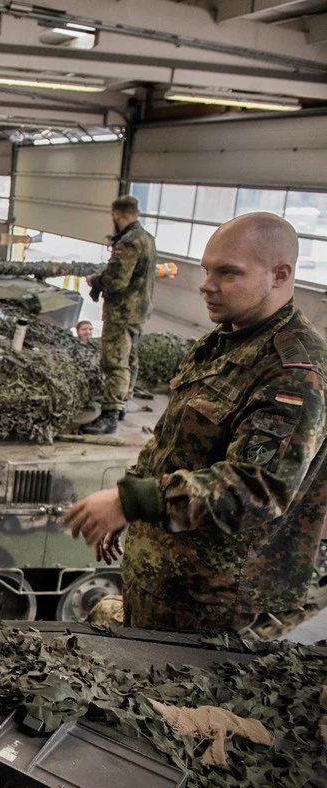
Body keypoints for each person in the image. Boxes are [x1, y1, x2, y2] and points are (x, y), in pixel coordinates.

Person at [62, 212, 326, 639]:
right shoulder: (223, 341)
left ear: (280, 274)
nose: (206, 284)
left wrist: (136, 501)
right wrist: (128, 499)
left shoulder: (295, 373)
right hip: (168, 581)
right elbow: (173, 442)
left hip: (217, 607)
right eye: (207, 270)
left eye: (227, 273)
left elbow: (258, 489)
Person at [80, 196, 157, 434]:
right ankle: (122, 404)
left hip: (122, 312)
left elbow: (116, 281)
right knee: (130, 359)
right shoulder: (147, 238)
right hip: (139, 310)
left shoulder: (128, 241)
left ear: (115, 214)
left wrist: (95, 280)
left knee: (114, 362)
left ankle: (109, 415)